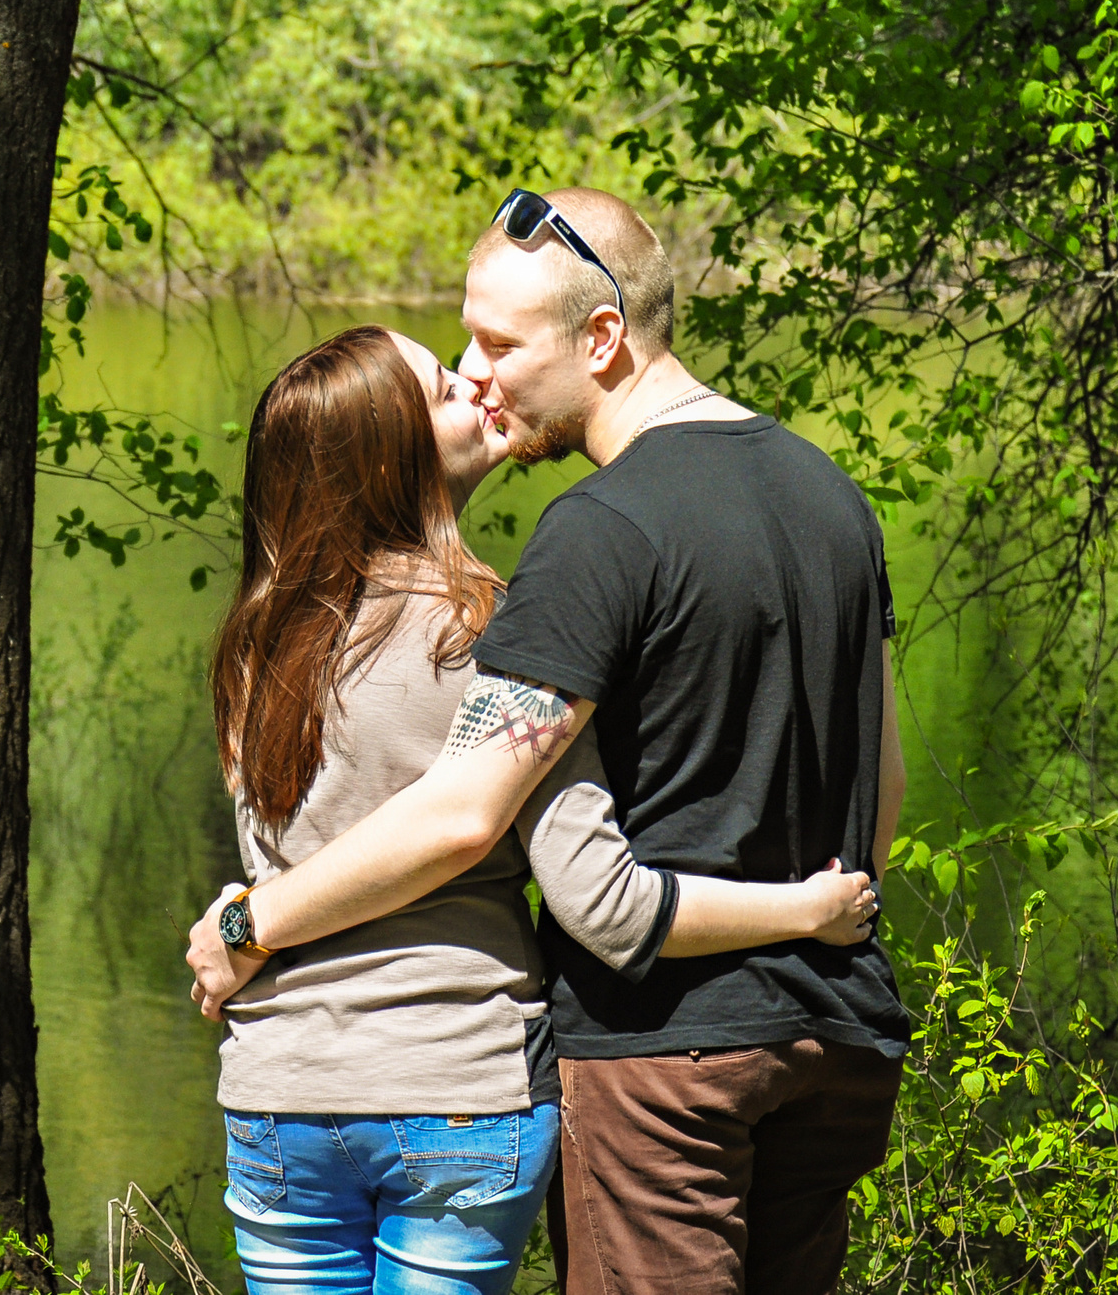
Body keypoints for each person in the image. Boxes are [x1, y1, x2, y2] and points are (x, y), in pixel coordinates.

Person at [190, 189, 909, 1295]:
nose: (481, 375)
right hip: (838, 1040)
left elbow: (471, 808)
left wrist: (251, 921)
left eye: (497, 345)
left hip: (665, 1054)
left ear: (602, 337)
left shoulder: (596, 533)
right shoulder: (833, 497)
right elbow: (885, 789)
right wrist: (818, 912)